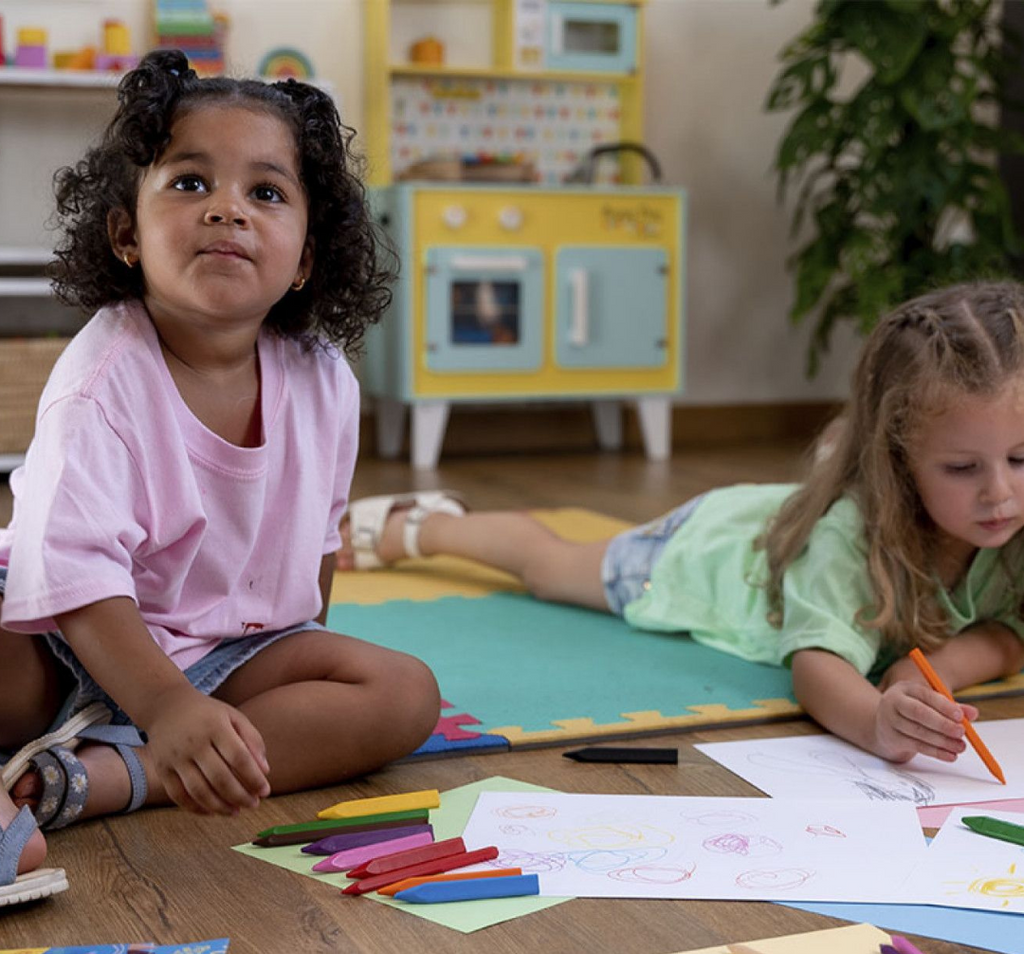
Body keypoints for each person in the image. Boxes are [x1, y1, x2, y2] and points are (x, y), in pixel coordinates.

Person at [0, 49, 441, 861]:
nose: (227, 211)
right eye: (191, 183)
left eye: (266, 193)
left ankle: (115, 778)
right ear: (127, 233)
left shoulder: (324, 380)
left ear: (306, 257)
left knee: (403, 694)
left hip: (226, 649)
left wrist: (260, 684)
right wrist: (166, 707)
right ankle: (132, 744)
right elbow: (71, 574)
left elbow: (318, 550)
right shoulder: (100, 381)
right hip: (70, 633)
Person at [340, 282, 1024, 766]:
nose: (1001, 493)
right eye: (963, 469)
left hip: (774, 521)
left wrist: (925, 668)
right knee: (551, 570)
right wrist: (878, 721)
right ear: (898, 461)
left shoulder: (1011, 526)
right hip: (702, 557)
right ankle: (425, 527)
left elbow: (1007, 631)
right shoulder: (849, 540)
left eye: (1022, 458)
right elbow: (818, 669)